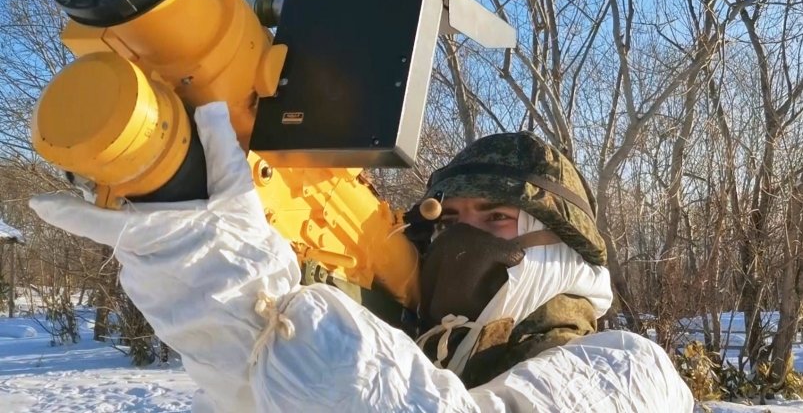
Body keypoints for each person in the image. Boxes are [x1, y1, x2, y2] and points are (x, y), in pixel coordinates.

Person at [31, 103, 694, 412]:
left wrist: (342, 367)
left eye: (496, 220)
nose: (466, 240)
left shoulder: (629, 374)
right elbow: (248, 394)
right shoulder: (411, 341)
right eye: (452, 220)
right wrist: (198, 261)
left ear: (566, 248)